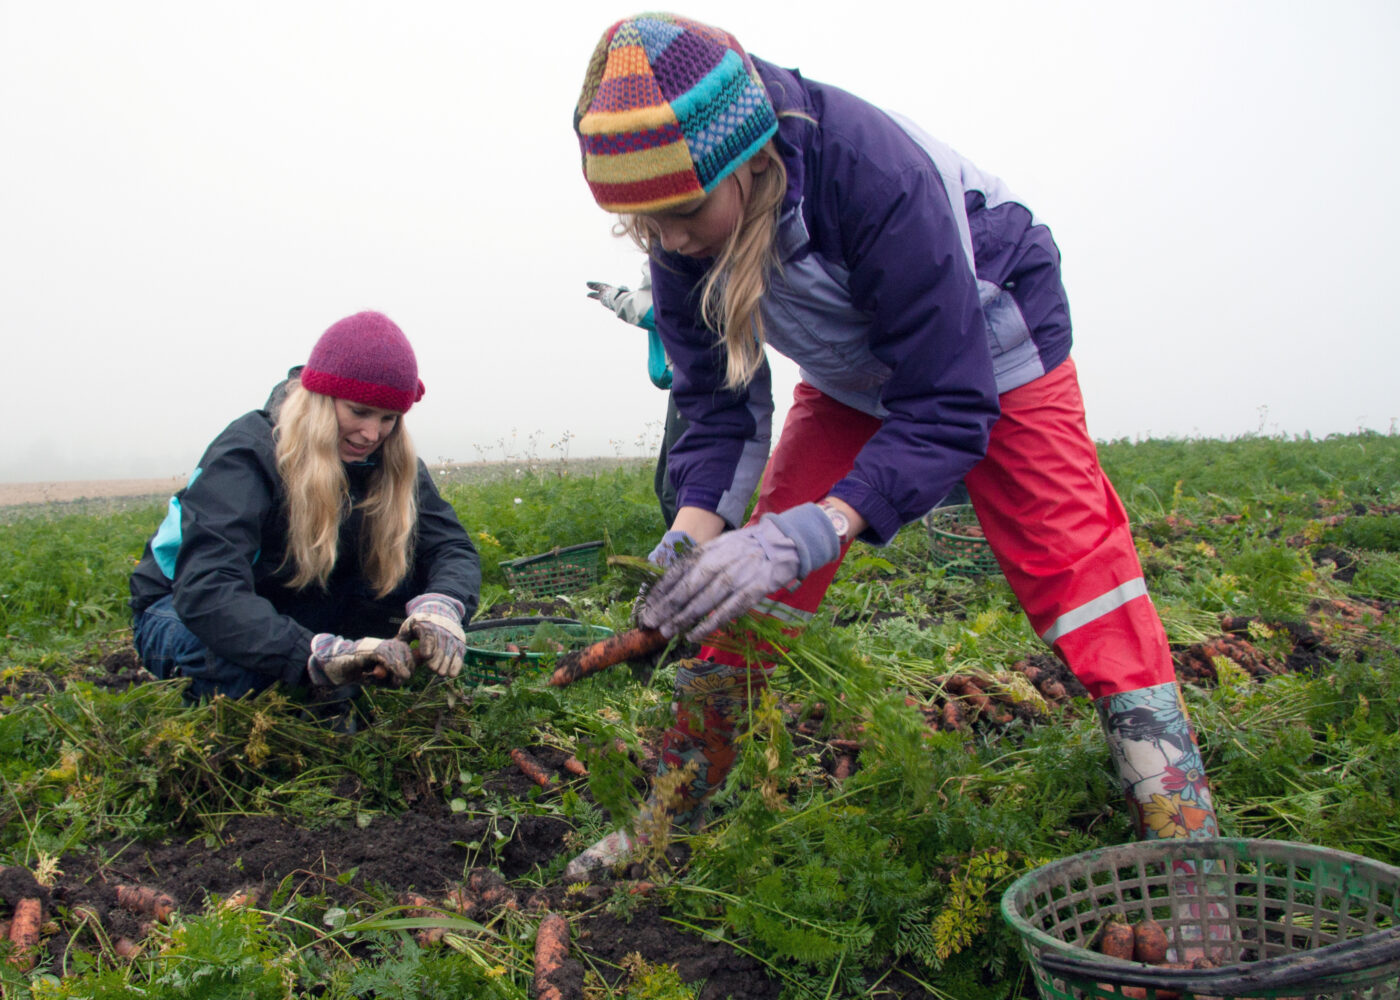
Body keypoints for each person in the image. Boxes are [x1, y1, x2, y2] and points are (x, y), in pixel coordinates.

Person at [565, 13, 1218, 876]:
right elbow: (718, 406)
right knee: (741, 594)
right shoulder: (680, 232)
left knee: (1077, 576)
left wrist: (821, 526)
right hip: (852, 376)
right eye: (644, 224)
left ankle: (1187, 846)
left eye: (683, 214)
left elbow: (949, 401)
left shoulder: (873, 175)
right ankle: (668, 818)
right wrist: (692, 540)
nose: (671, 242)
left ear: (748, 159)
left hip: (988, 344)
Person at [128, 311, 480, 717]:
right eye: (360, 411)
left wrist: (442, 606)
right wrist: (311, 652)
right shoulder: (249, 453)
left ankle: (320, 663)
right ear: (321, 398)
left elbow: (450, 546)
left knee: (401, 628)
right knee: (249, 679)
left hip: (297, 600)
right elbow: (209, 588)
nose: (372, 434)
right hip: (183, 609)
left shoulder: (389, 460)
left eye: (389, 418)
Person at [585, 272, 690, 526]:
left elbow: (660, 312)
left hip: (695, 384)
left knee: (675, 492)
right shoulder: (670, 267)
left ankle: (693, 559)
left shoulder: (679, 268)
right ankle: (688, 557)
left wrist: (615, 298)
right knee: (666, 488)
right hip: (683, 384)